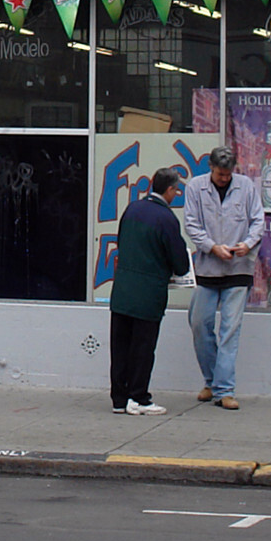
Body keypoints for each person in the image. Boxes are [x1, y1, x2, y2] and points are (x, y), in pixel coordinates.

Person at [182, 142, 263, 409]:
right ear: (211, 169)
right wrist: (211, 247)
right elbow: (191, 224)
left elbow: (258, 221)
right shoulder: (195, 187)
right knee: (198, 323)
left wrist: (247, 244)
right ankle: (212, 380)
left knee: (230, 329)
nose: (224, 178)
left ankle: (224, 389)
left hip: (239, 269)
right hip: (208, 267)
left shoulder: (246, 186)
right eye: (220, 174)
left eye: (228, 174)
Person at [108, 165, 189, 415]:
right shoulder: (166, 219)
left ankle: (119, 399)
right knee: (143, 348)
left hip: (122, 292)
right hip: (148, 295)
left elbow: (121, 242)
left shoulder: (132, 209)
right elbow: (181, 264)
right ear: (169, 189)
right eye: (176, 190)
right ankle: (139, 397)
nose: (177, 195)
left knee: (120, 346)